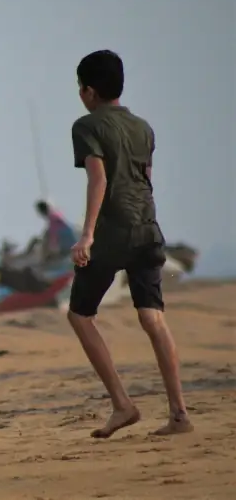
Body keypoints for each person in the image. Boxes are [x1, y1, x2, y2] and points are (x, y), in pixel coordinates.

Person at [67, 50, 192, 439]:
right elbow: (145, 179)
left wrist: (87, 234)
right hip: (148, 229)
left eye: (80, 88)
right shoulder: (143, 127)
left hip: (113, 233)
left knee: (80, 314)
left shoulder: (87, 125)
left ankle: (122, 404)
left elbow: (99, 180)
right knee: (153, 317)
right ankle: (179, 414)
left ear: (88, 91)